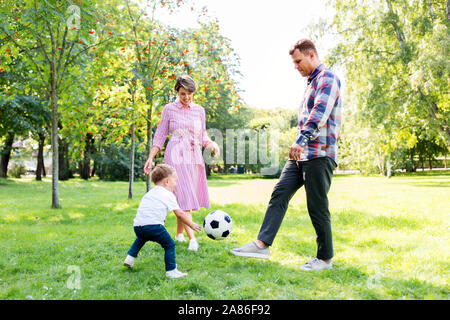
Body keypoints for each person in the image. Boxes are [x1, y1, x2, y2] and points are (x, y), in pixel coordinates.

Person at [230, 39, 342, 271]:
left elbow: (319, 114)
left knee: (317, 206)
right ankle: (262, 245)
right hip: (303, 155)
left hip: (320, 154)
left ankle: (325, 259)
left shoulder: (327, 78)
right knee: (279, 193)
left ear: (312, 55)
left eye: (298, 61)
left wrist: (300, 140)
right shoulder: (310, 83)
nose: (296, 66)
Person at [143, 75, 220, 252]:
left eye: (190, 94)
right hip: (175, 155)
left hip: (194, 158)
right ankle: (192, 239)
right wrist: (150, 157)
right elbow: (160, 135)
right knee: (185, 197)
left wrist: (211, 144)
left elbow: (202, 136)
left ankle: (179, 235)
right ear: (177, 91)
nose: (186, 97)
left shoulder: (199, 110)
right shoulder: (169, 109)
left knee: (183, 198)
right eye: (183, 93)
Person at [123, 164, 202, 279]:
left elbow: (148, 209)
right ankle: (171, 271)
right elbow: (179, 214)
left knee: (141, 238)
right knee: (169, 244)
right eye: (175, 180)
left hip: (138, 226)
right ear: (167, 182)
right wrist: (192, 224)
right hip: (153, 226)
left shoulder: (150, 193)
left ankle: (129, 259)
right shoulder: (169, 195)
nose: (176, 184)